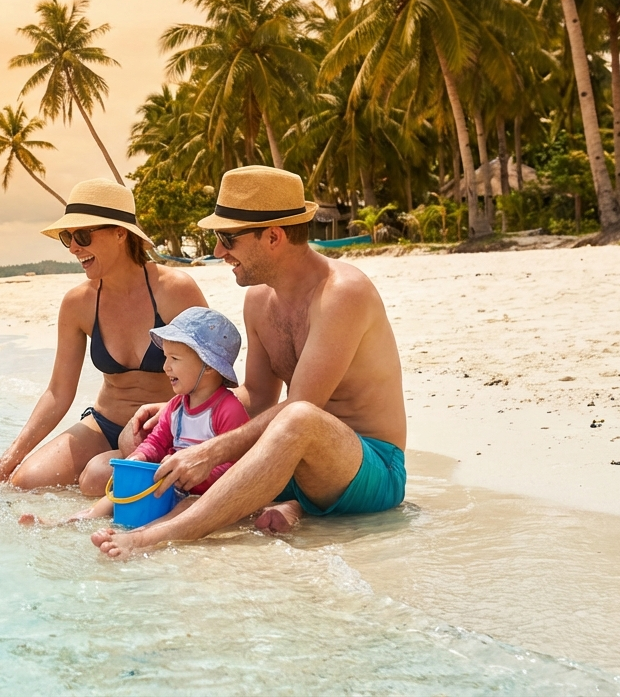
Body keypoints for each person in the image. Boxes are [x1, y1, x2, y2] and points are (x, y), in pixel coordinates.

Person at [93, 165, 407, 558]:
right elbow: (257, 396)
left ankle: (155, 538)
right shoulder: (259, 301)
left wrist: (211, 451)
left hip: (370, 466)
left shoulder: (341, 294)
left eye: (228, 238)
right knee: (116, 464)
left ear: (273, 236)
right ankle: (277, 509)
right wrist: (181, 404)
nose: (218, 252)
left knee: (296, 419)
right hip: (293, 462)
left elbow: (301, 409)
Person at [0, 178, 209, 494]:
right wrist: (15, 452)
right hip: (104, 423)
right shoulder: (78, 303)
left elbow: (212, 372)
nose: (74, 247)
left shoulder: (175, 290)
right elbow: (58, 391)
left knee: (96, 479)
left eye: (83, 235)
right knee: (25, 482)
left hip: (169, 426)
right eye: (68, 237)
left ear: (120, 233)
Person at [22, 306, 249, 524]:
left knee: (186, 508)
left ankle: (145, 535)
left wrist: (195, 475)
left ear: (208, 366)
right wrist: (140, 457)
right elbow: (157, 442)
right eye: (166, 357)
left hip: (203, 495)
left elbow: (237, 465)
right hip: (170, 485)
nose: (165, 367)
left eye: (175, 359)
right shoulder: (176, 406)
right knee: (117, 492)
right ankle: (71, 520)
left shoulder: (227, 409)